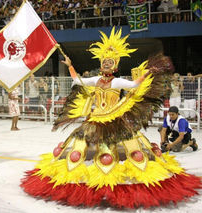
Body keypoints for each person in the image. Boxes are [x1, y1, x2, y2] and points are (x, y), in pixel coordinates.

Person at [21, 27, 201, 208]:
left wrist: (147, 73)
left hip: (115, 116)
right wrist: (70, 65)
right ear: (101, 64)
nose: (106, 63)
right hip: (96, 116)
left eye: (110, 62)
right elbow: (77, 81)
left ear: (115, 65)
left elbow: (133, 84)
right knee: (84, 143)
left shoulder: (117, 82)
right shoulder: (95, 80)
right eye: (104, 61)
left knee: (120, 144)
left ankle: (114, 177)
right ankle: (92, 177)